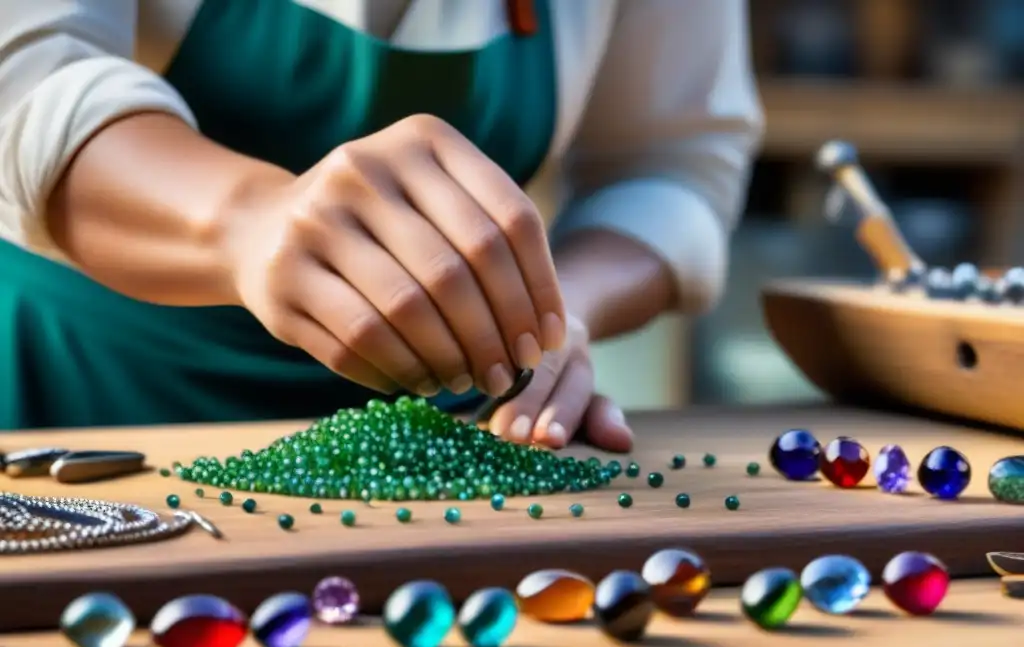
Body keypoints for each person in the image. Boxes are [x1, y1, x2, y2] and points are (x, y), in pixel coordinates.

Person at [0, 0, 763, 452]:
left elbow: (675, 164)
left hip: (439, 451)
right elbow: (31, 82)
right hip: (68, 407)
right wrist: (248, 222)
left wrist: (551, 312)